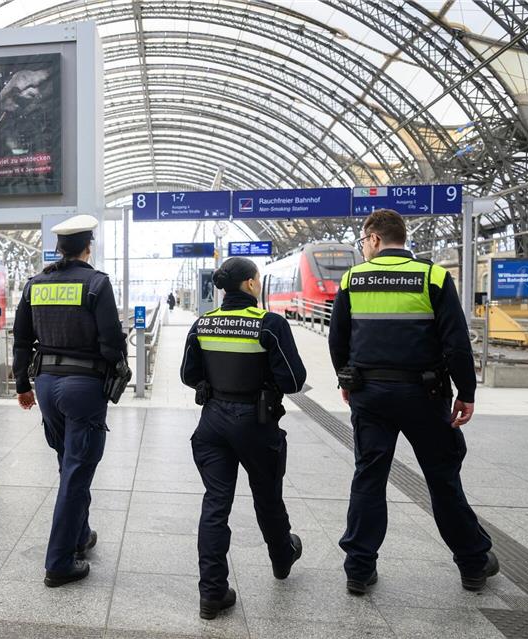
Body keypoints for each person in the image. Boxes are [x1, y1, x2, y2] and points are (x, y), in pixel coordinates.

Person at [328, 209, 497, 595]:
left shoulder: (353, 279)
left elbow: (338, 339)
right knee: (442, 478)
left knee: (369, 477)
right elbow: (456, 342)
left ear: (374, 238)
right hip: (425, 395)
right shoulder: (433, 276)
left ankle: (359, 569)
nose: (364, 248)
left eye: (363, 241)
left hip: (370, 395)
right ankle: (473, 564)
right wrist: (466, 392)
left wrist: (346, 380)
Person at [181, 256, 307, 620]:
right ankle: (282, 557)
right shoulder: (269, 324)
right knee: (267, 497)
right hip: (256, 423)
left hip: (212, 425)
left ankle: (212, 594)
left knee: (215, 504)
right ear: (250, 284)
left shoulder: (203, 324)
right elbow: (294, 381)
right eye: (258, 279)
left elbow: (188, 374)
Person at [12, 214, 127, 587]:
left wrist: (22, 384)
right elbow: (111, 340)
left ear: (60, 248)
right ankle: (59, 562)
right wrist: (117, 366)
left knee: (69, 464)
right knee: (77, 471)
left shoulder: (35, 284)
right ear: (88, 247)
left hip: (46, 386)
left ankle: (80, 535)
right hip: (83, 387)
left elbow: (21, 340)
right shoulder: (96, 284)